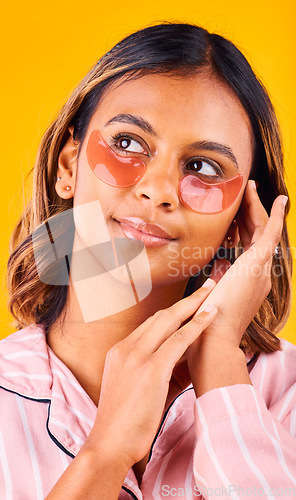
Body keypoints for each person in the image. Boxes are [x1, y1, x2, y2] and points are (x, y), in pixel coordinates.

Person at [2, 22, 296, 499]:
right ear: (66, 166)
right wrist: (106, 452)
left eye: (202, 167)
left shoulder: (287, 393)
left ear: (242, 215)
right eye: (128, 143)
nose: (157, 190)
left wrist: (219, 356)